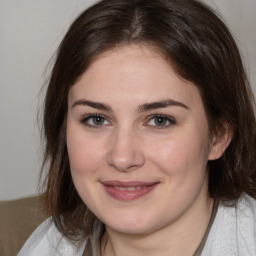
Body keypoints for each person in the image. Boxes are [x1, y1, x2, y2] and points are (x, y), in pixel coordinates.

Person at [18, 0, 256, 255]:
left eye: (159, 120)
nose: (122, 157)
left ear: (218, 136)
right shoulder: (45, 245)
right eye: (96, 119)